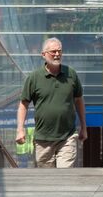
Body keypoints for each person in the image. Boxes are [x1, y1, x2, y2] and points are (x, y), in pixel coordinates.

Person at [16, 38, 87, 168]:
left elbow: (79, 100)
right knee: (47, 179)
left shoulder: (71, 74)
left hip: (67, 136)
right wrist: (20, 129)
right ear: (43, 54)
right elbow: (23, 104)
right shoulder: (34, 77)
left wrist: (83, 126)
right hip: (43, 139)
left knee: (64, 175)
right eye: (53, 51)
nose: (57, 54)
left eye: (59, 51)